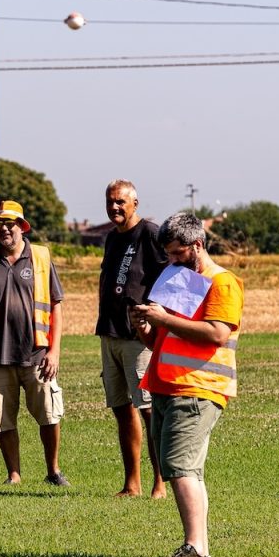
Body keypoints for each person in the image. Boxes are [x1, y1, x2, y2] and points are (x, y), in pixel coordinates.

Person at [130, 212, 244, 557]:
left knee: (179, 468)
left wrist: (163, 319)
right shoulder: (179, 279)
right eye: (168, 253)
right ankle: (199, 548)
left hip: (198, 387)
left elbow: (217, 333)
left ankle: (195, 550)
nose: (172, 260)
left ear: (197, 245)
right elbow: (162, 338)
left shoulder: (221, 282)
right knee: (181, 468)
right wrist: (145, 328)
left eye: (178, 252)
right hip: (166, 384)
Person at [0, 200, 68, 486]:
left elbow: (56, 305)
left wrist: (54, 350)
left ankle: (53, 471)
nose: (4, 229)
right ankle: (14, 474)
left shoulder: (41, 258)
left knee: (48, 414)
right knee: (2, 418)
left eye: (10, 223)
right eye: (0, 224)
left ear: (22, 227)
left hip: (36, 353)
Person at [96, 180, 168, 498]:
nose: (115, 207)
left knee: (148, 409)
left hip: (138, 337)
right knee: (121, 408)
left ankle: (160, 483)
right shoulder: (112, 238)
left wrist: (155, 315)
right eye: (111, 202)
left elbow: (171, 275)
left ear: (135, 203)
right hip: (110, 333)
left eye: (121, 202)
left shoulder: (150, 234)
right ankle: (132, 484)